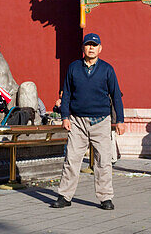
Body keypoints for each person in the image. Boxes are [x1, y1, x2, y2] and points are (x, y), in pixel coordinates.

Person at [51, 33, 125, 210]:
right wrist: (65, 117)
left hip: (101, 121)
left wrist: (120, 120)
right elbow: (66, 93)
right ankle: (64, 196)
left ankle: (105, 197)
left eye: (94, 45)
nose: (91, 48)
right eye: (88, 45)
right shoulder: (73, 68)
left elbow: (116, 96)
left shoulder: (107, 69)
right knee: (72, 159)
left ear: (100, 48)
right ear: (83, 48)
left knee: (103, 160)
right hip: (77, 121)